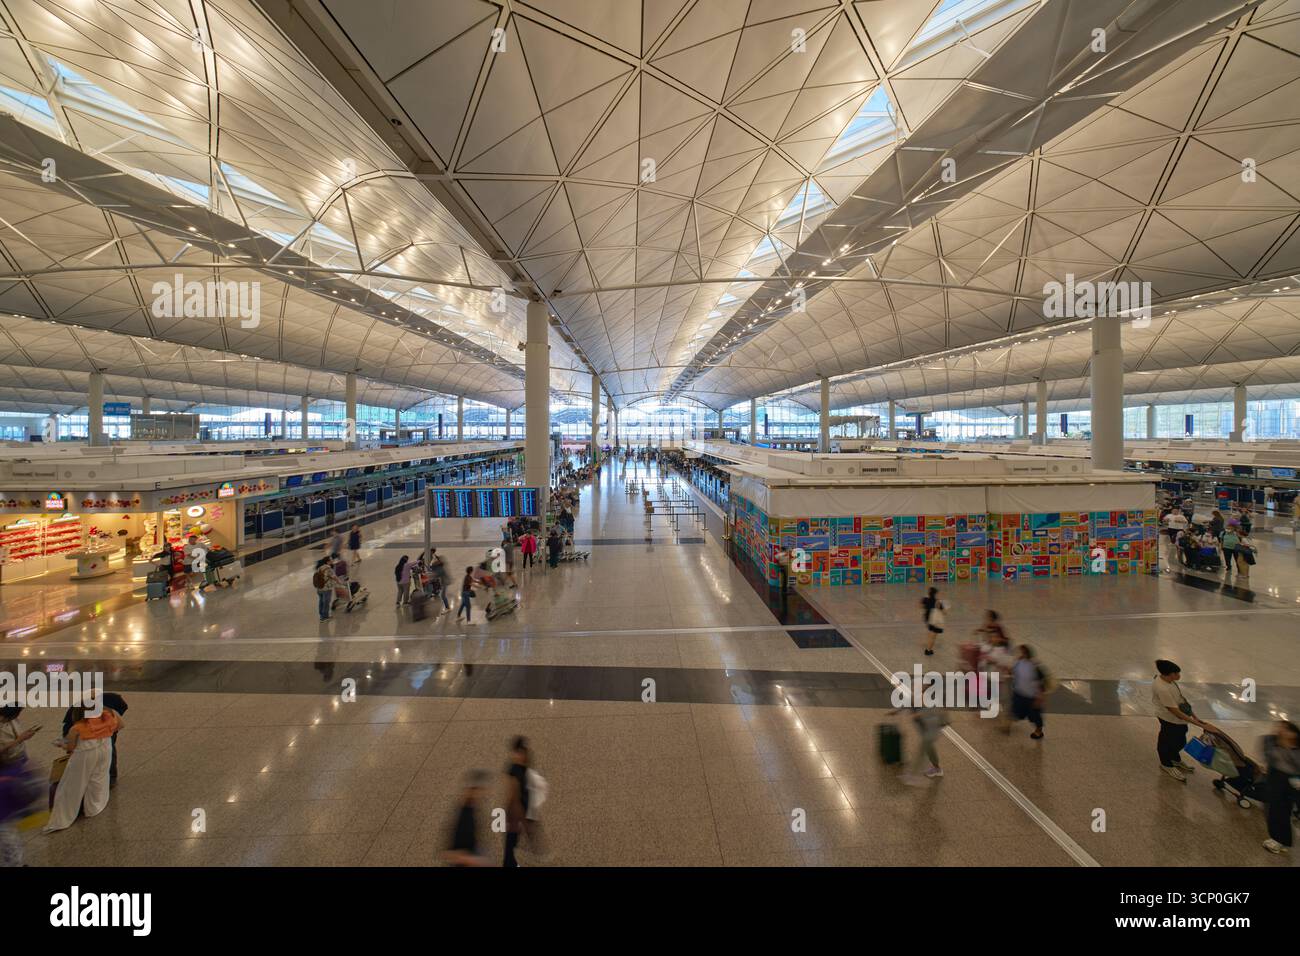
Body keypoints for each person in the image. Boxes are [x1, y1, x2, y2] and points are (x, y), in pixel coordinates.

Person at [45, 701, 125, 833]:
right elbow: (121, 725)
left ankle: (61, 820)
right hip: (105, 748)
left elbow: (70, 747)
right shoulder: (107, 716)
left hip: (85, 754)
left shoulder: (77, 728)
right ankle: (94, 807)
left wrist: (61, 744)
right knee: (99, 779)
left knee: (72, 785)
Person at [1152, 659, 1217, 781]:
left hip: (1179, 719)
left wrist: (1194, 716)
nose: (1179, 676)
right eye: (1176, 673)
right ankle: (1166, 764)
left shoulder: (1170, 682)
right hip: (1169, 719)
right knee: (1167, 742)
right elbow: (1174, 711)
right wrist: (1198, 724)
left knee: (1180, 741)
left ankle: (1174, 759)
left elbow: (1181, 700)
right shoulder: (1162, 688)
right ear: (1168, 674)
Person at [61, 693, 128, 786]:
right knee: (107, 758)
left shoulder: (77, 723)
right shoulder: (109, 708)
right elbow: (121, 723)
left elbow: (69, 743)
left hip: (87, 750)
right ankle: (110, 778)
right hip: (106, 741)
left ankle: (99, 777)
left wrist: (66, 743)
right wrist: (111, 730)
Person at [0, 706, 36, 866]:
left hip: (17, 758)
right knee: (10, 843)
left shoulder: (13, 720)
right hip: (7, 760)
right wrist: (19, 739)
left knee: (13, 843)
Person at [1261, 720, 1300, 854]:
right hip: (1276, 778)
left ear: (1294, 734)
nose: (1281, 731)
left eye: (1286, 729)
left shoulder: (1295, 748)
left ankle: (1281, 840)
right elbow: (1269, 757)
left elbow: (1295, 766)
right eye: (1280, 728)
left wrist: (1287, 747)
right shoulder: (1270, 741)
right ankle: (1277, 839)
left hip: (1290, 782)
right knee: (1273, 809)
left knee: (1281, 810)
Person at [443, 769, 491, 866]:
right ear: (472, 790)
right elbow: (448, 853)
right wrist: (478, 861)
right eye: (481, 790)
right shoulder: (464, 816)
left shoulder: (471, 810)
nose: (484, 794)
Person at [503, 736, 531, 867]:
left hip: (518, 812)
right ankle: (510, 863)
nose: (521, 755)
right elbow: (512, 795)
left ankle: (511, 862)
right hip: (515, 814)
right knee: (511, 841)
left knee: (512, 842)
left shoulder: (521, 766)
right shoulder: (514, 770)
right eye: (519, 752)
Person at [1010, 644, 1046, 739]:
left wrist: (1039, 697)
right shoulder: (1018, 663)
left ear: (1026, 653)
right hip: (1019, 693)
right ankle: (1007, 723)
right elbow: (1014, 673)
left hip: (1031, 696)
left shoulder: (1034, 666)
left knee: (1034, 716)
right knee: (1016, 711)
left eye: (1020, 652)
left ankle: (1039, 730)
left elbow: (1040, 683)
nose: (1018, 654)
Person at [921, 587, 945, 656]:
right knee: (933, 636)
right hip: (934, 620)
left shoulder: (925, 599)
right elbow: (944, 612)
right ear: (935, 594)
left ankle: (928, 647)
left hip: (927, 618)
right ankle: (928, 650)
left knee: (930, 633)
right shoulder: (937, 601)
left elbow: (920, 606)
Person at [428, 547, 451, 612]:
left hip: (444, 582)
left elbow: (435, 575)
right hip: (444, 582)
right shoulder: (439, 567)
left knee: (443, 596)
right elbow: (434, 568)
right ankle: (447, 607)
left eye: (436, 562)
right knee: (443, 595)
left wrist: (429, 579)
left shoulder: (440, 569)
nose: (435, 562)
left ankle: (448, 608)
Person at [313, 557, 333, 622]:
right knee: (326, 602)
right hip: (326, 588)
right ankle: (325, 617)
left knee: (321, 601)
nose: (332, 561)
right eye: (331, 560)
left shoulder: (319, 568)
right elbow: (334, 577)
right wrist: (341, 583)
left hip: (319, 588)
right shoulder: (328, 568)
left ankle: (321, 615)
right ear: (327, 562)